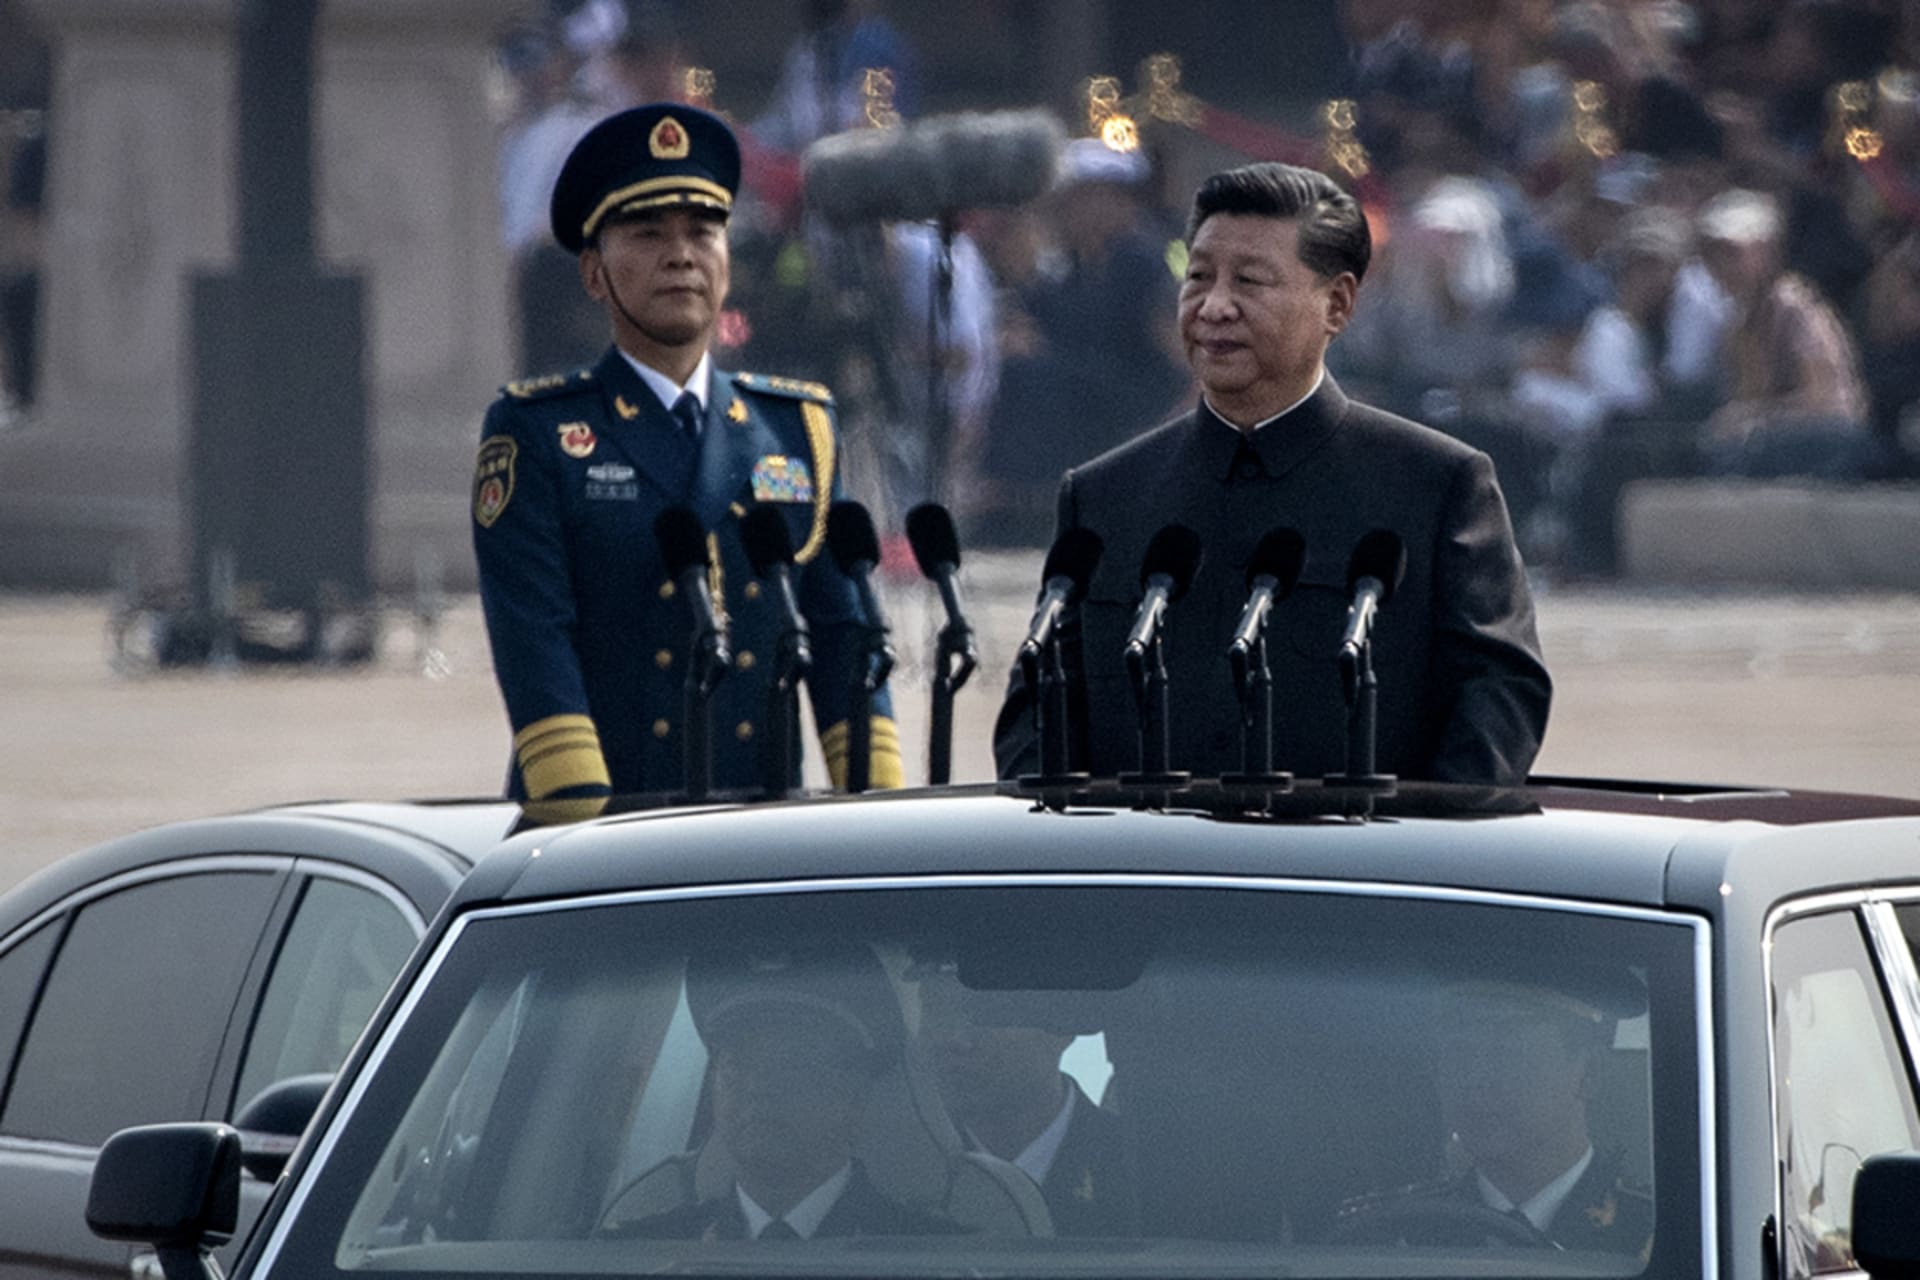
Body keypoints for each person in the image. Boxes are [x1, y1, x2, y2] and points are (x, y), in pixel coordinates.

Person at [992, 161, 1551, 786]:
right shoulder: (1103, 499)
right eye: (1198, 277)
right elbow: (1036, 726)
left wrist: (1406, 855)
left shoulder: (1437, 486)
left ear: (1336, 304)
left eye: (1251, 281)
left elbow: (1498, 705)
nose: (1215, 306)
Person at [473, 102, 902, 818]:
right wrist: (579, 819)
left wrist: (877, 814)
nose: (681, 255)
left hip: (759, 828)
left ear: (728, 260)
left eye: (703, 232)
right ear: (592, 273)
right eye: (647, 233)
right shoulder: (538, 433)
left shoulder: (795, 429)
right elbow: (534, 641)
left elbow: (841, 632)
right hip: (604, 829)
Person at [607, 941, 959, 1240]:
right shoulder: (639, 1252)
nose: (759, 1088)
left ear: (856, 1097)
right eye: (737, 1065)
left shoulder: (932, 1254)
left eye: (795, 1067)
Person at [1335, 972, 1653, 1254]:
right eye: (1458, 1054)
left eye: (1510, 1055)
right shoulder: (1387, 1235)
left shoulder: (1659, 1232)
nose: (1477, 1081)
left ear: (1590, 1074)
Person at [916, 963, 1135, 1237]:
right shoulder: (894, 1173)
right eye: (935, 1011)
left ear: (1061, 1030)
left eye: (988, 1016)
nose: (955, 1039)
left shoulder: (1147, 1171)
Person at [1693, 187, 1875, 479]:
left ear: (1766, 251)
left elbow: (1821, 399)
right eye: (1714, 255)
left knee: (1742, 454)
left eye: (1732, 254)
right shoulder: (1740, 321)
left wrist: (1753, 416)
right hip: (1780, 437)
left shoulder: (1794, 308)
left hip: (1831, 437)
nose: (1722, 267)